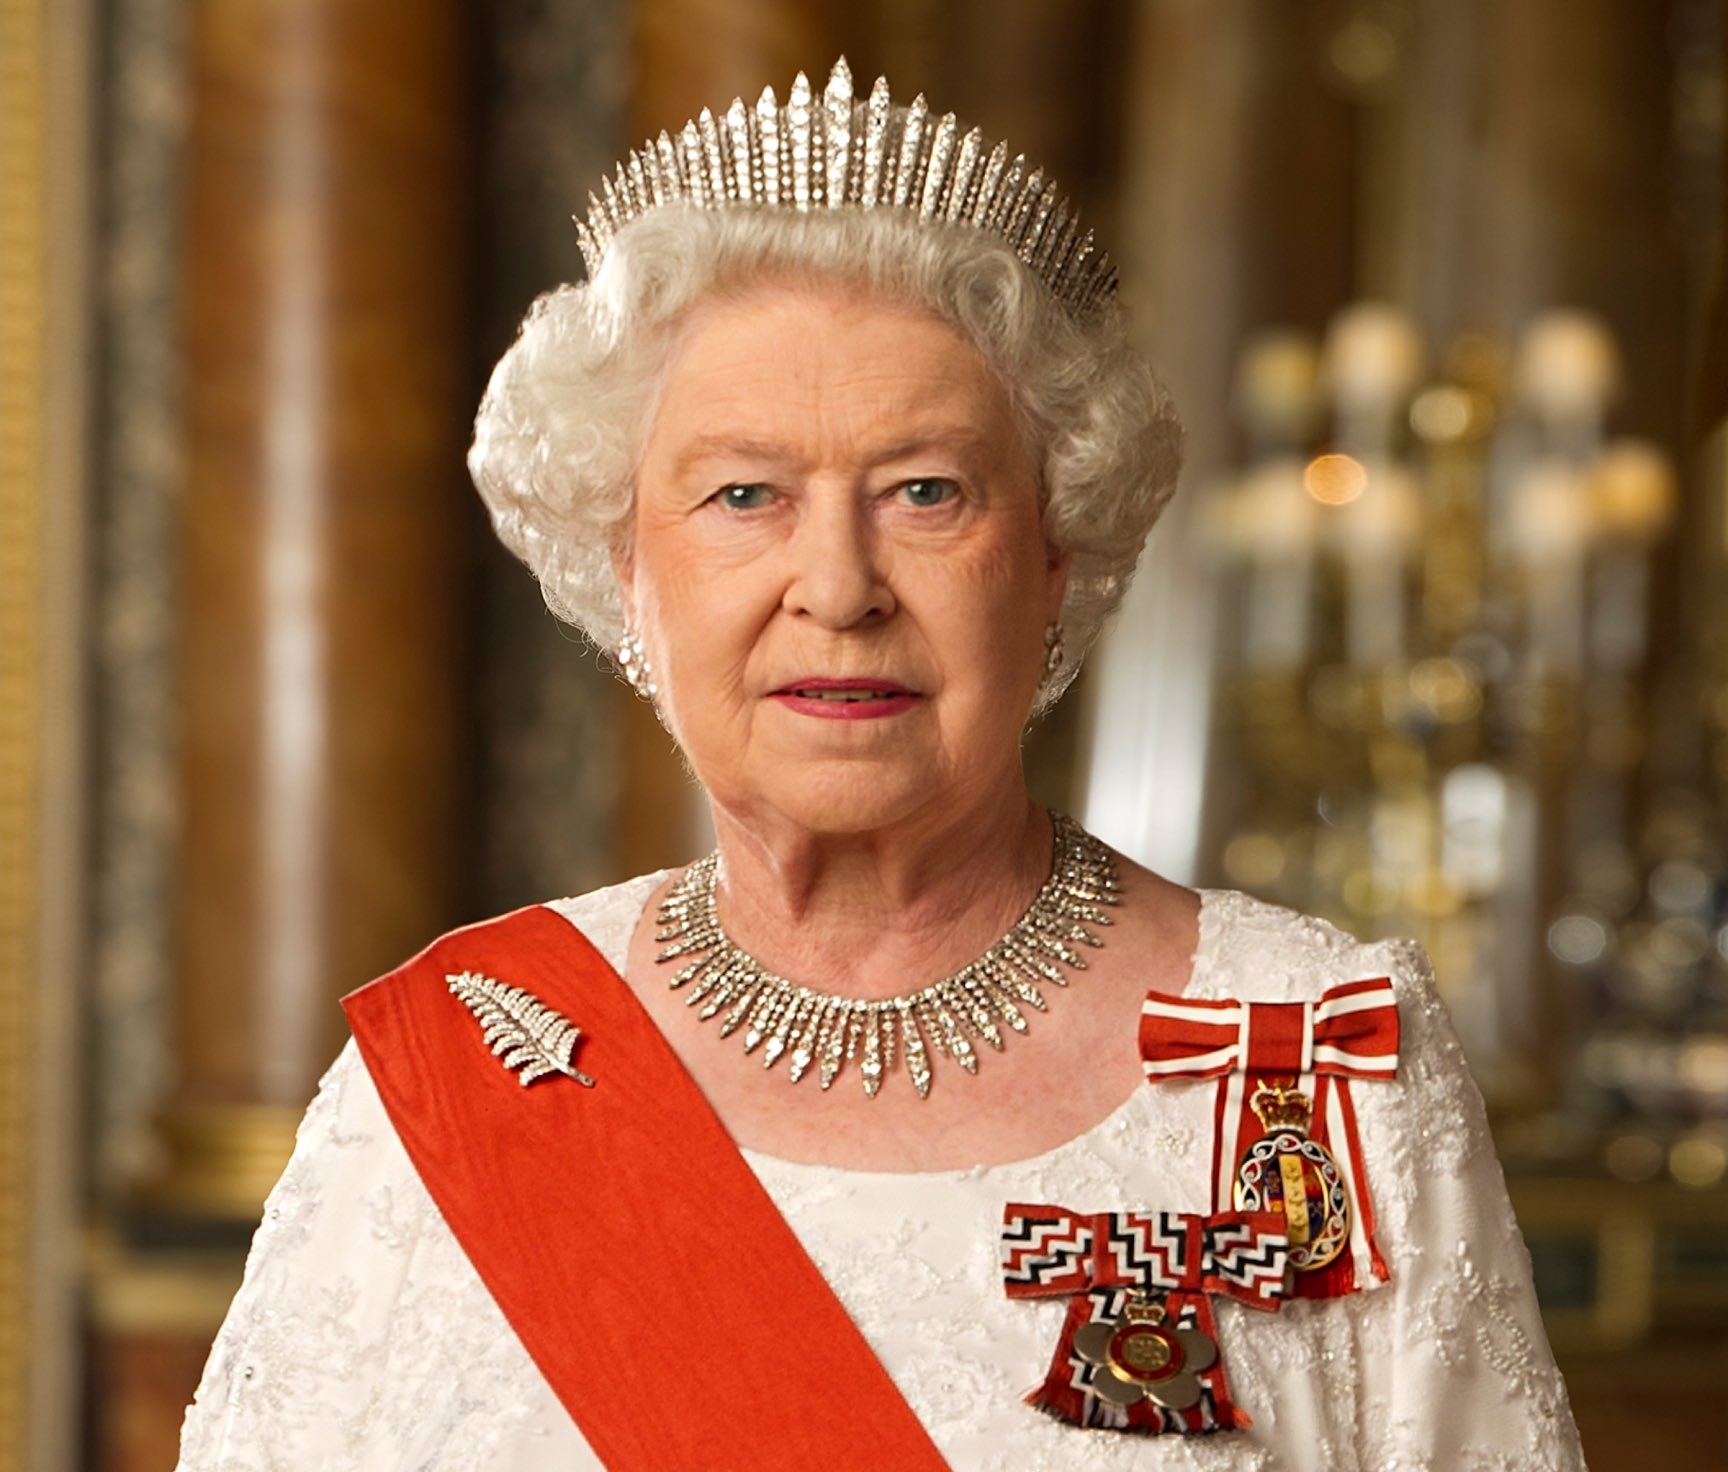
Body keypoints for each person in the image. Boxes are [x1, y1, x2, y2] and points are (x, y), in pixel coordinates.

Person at [176, 60, 1586, 1472]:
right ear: (630, 573)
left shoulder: (1318, 1053)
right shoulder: (460, 1072)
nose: (838, 585)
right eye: (745, 495)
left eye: (926, 491)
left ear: (1051, 560)